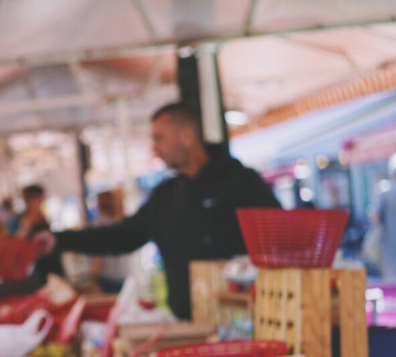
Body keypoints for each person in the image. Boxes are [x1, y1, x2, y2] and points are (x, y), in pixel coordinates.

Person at [31, 102, 281, 319]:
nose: (154, 148)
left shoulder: (241, 182)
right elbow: (122, 236)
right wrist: (59, 239)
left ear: (186, 135)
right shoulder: (166, 195)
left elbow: (279, 241)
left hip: (244, 323)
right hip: (185, 323)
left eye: (158, 138)